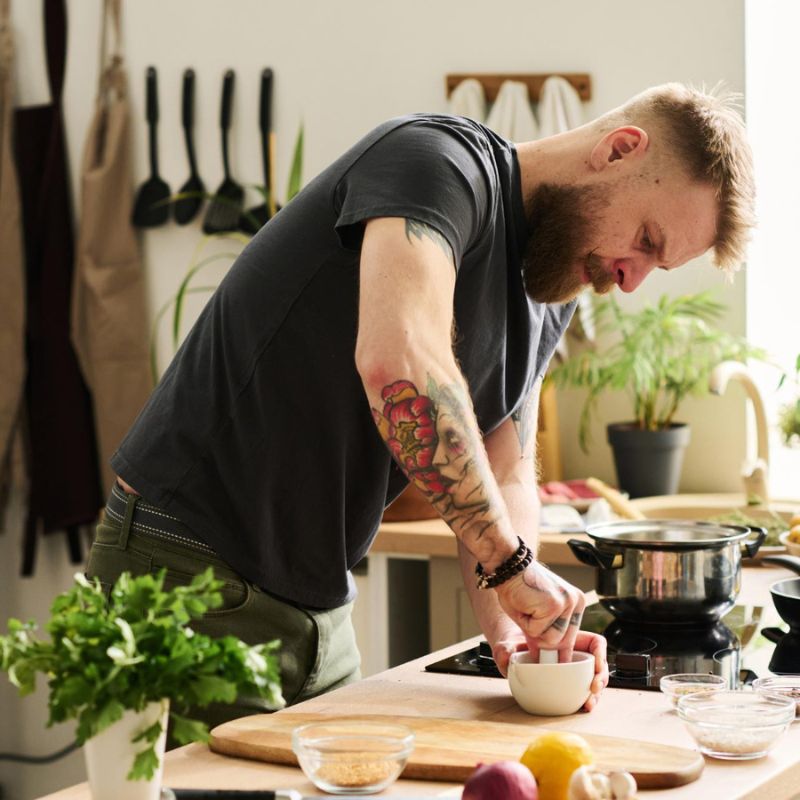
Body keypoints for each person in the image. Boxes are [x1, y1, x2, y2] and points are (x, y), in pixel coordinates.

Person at [87, 82, 755, 725]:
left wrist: (518, 631)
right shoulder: (436, 166)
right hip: (184, 568)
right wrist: (512, 566)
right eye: (646, 240)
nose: (632, 280)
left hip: (315, 606)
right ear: (619, 149)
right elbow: (401, 361)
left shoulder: (548, 290)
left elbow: (507, 468)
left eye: (657, 266)